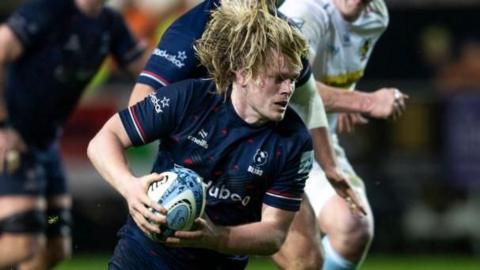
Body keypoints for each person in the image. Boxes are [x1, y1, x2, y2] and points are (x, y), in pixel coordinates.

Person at [128, 0, 367, 268]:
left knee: (306, 260)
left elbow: (308, 97)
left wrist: (331, 167)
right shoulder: (192, 31)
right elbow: (140, 106)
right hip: (201, 170)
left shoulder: (282, 32)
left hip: (263, 160)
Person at [87, 1, 314, 269]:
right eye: (278, 79)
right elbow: (104, 139)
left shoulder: (293, 141)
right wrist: (130, 186)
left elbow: (274, 234)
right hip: (143, 258)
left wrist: (215, 238)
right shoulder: (188, 97)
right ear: (242, 72)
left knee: (306, 259)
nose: (288, 90)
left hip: (218, 262)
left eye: (292, 79)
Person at [0, 0, 146, 268]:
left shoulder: (110, 24)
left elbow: (151, 73)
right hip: (13, 140)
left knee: (55, 241)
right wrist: (2, 125)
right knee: (21, 242)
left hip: (45, 144)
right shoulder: (48, 9)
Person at [273, 0, 408, 269]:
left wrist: (343, 98)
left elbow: (330, 73)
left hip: (315, 142)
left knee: (354, 228)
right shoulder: (305, 11)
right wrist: (364, 101)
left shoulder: (375, 16)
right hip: (269, 143)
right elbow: (281, 83)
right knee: (304, 261)